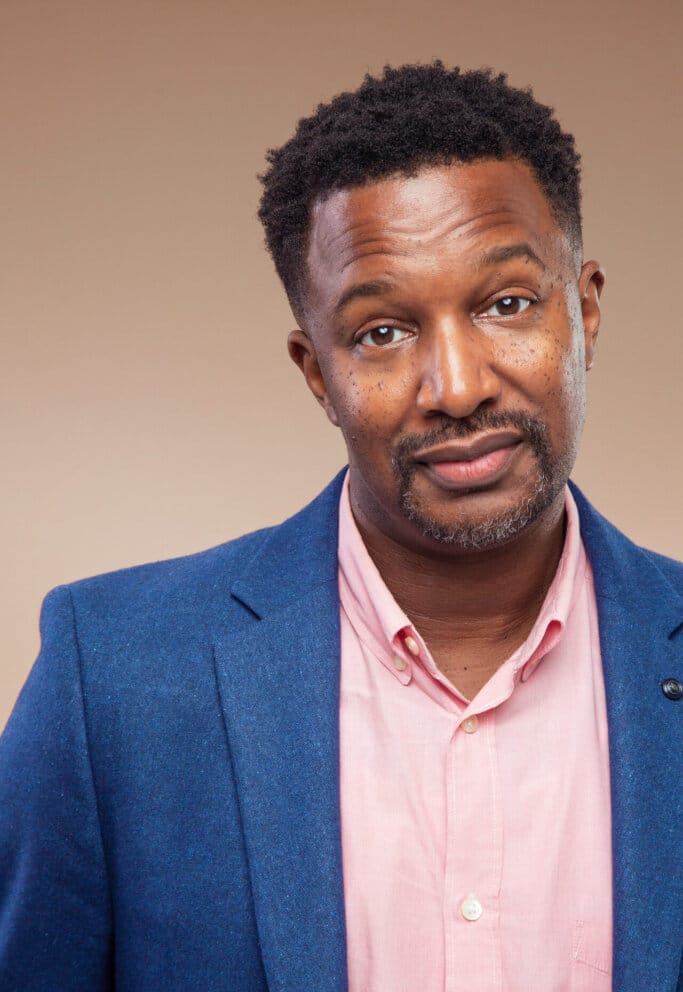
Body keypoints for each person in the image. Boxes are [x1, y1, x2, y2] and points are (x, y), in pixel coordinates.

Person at [0, 62, 681, 992]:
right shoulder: (111, 675)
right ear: (316, 372)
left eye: (507, 304)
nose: (458, 386)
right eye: (381, 332)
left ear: (586, 309)